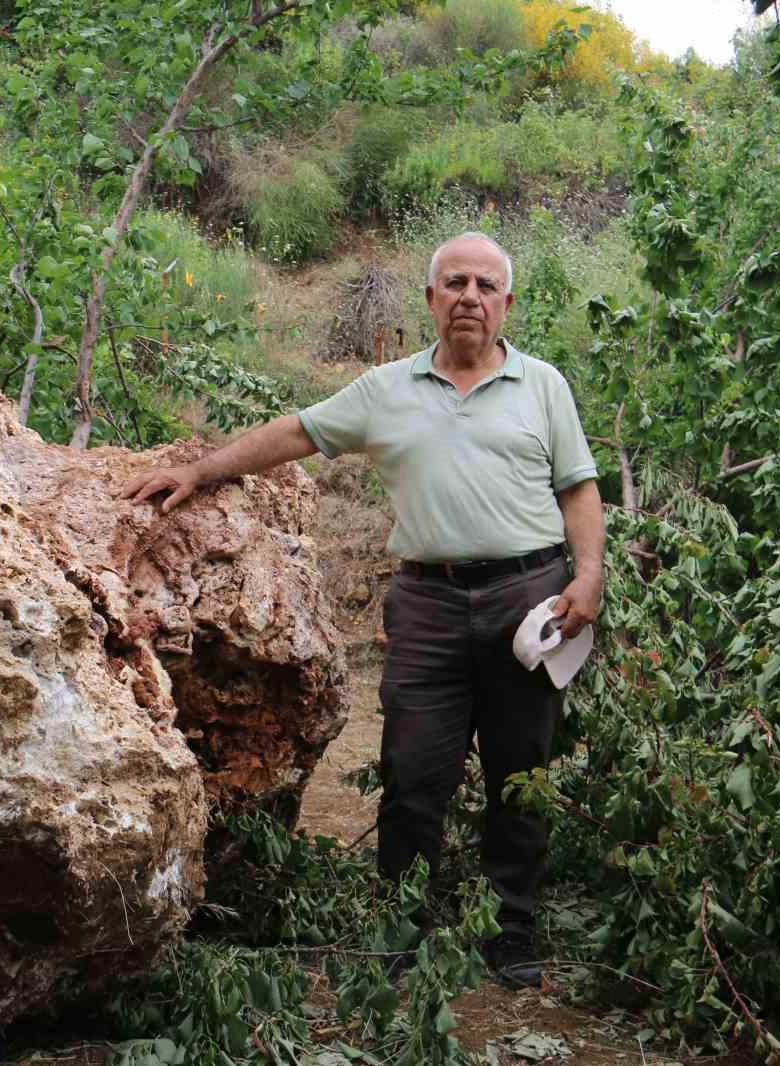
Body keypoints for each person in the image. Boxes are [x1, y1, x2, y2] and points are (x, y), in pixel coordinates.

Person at [116, 232, 605, 988]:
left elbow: (578, 489)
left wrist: (590, 575)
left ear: (507, 302)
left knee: (521, 774)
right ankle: (400, 928)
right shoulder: (385, 389)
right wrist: (200, 469)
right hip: (429, 604)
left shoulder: (544, 386)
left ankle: (512, 931)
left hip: (527, 598)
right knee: (412, 774)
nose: (469, 297)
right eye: (454, 283)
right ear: (431, 299)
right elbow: (297, 433)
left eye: (484, 285)